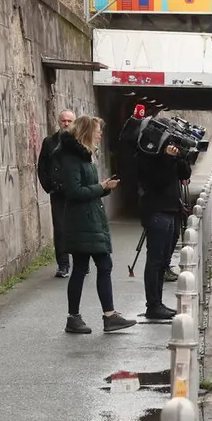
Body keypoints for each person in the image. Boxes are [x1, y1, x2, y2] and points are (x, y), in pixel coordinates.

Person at [55, 116, 137, 334]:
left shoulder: (84, 155)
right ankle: (97, 317)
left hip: (89, 218)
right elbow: (73, 191)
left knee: (89, 267)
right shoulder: (72, 157)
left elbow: (86, 188)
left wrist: (105, 187)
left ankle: (88, 317)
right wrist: (102, 187)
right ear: (86, 131)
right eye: (97, 131)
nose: (100, 134)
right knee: (93, 267)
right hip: (82, 220)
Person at [136, 139, 191, 321]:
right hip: (156, 212)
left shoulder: (170, 157)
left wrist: (181, 157)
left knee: (163, 262)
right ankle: (152, 305)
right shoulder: (147, 155)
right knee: (155, 260)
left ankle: (157, 303)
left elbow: (185, 174)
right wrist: (167, 158)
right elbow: (158, 181)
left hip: (171, 211)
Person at [37, 109, 76, 278]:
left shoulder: (79, 140)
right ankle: (63, 265)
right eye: (63, 120)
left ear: (74, 122)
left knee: (77, 228)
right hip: (58, 192)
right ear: (59, 122)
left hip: (76, 191)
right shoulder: (49, 142)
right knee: (60, 228)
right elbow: (42, 167)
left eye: (69, 121)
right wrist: (49, 186)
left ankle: (81, 261)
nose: (66, 123)